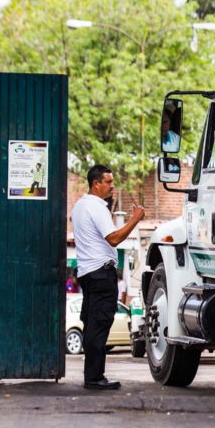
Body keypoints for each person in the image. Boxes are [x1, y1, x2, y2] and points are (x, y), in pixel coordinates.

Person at [72, 164, 145, 390]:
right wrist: (136, 219)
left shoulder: (80, 206)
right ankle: (94, 378)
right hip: (101, 274)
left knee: (92, 324)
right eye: (109, 182)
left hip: (87, 273)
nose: (113, 186)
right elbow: (113, 238)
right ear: (96, 184)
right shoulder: (96, 207)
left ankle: (92, 375)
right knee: (99, 325)